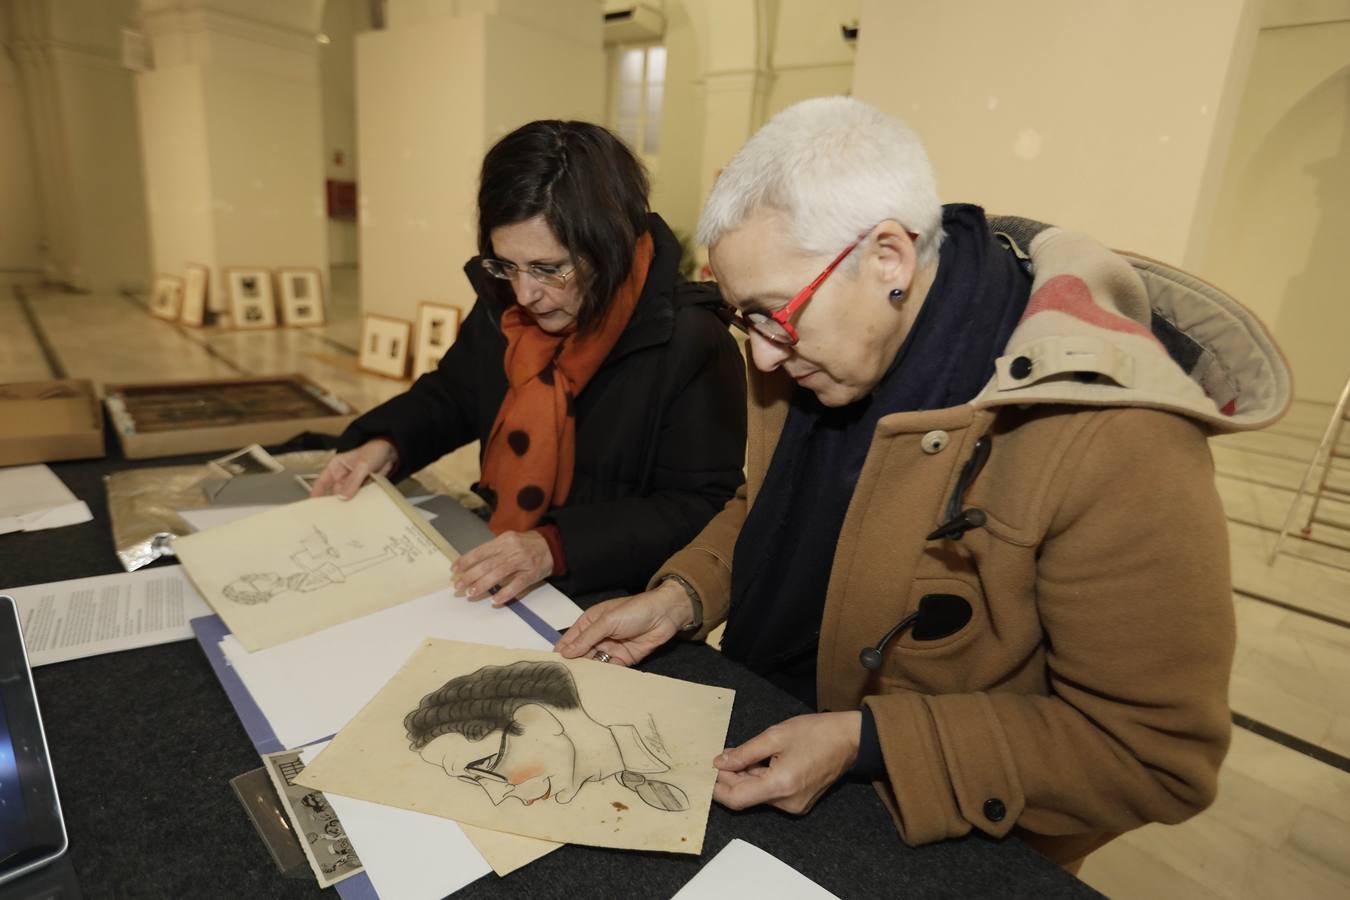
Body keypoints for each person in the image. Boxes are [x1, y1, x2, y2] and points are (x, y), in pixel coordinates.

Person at [557, 97, 1290, 867]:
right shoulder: (812, 351)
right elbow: (769, 507)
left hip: (946, 837)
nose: (764, 357)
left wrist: (868, 742)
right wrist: (683, 595)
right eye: (747, 320)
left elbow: (1150, 755)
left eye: (775, 315)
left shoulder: (1116, 437)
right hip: (771, 738)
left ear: (888, 259)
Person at [312, 121, 746, 606]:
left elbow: (701, 507)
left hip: (611, 598)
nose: (524, 294)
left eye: (547, 268)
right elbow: (457, 392)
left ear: (610, 247)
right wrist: (388, 444)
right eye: (506, 265)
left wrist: (554, 546)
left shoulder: (690, 341)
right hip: (501, 562)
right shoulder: (508, 303)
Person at [406, 660, 688, 811]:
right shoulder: (622, 780)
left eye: (483, 766)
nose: (496, 798)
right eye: (474, 779)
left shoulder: (667, 733)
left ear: (536, 718)